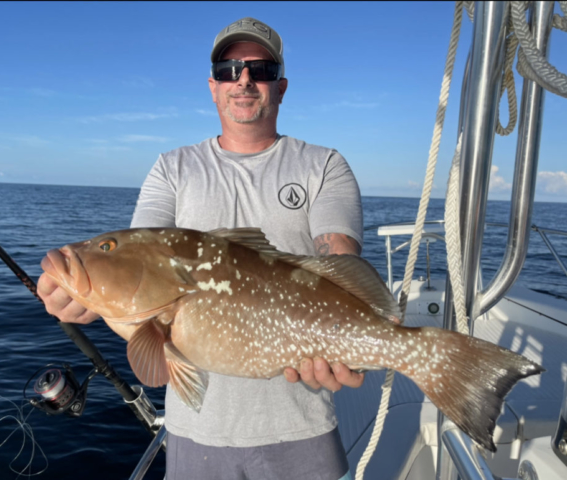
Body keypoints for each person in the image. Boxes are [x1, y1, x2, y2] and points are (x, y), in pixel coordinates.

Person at [38, 17, 364, 480]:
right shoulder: (172, 167)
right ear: (213, 86)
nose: (244, 79)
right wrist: (85, 300)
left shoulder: (323, 164)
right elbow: (142, 260)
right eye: (230, 69)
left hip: (302, 425)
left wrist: (347, 336)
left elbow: (339, 257)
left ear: (282, 86)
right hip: (196, 434)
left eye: (261, 68)